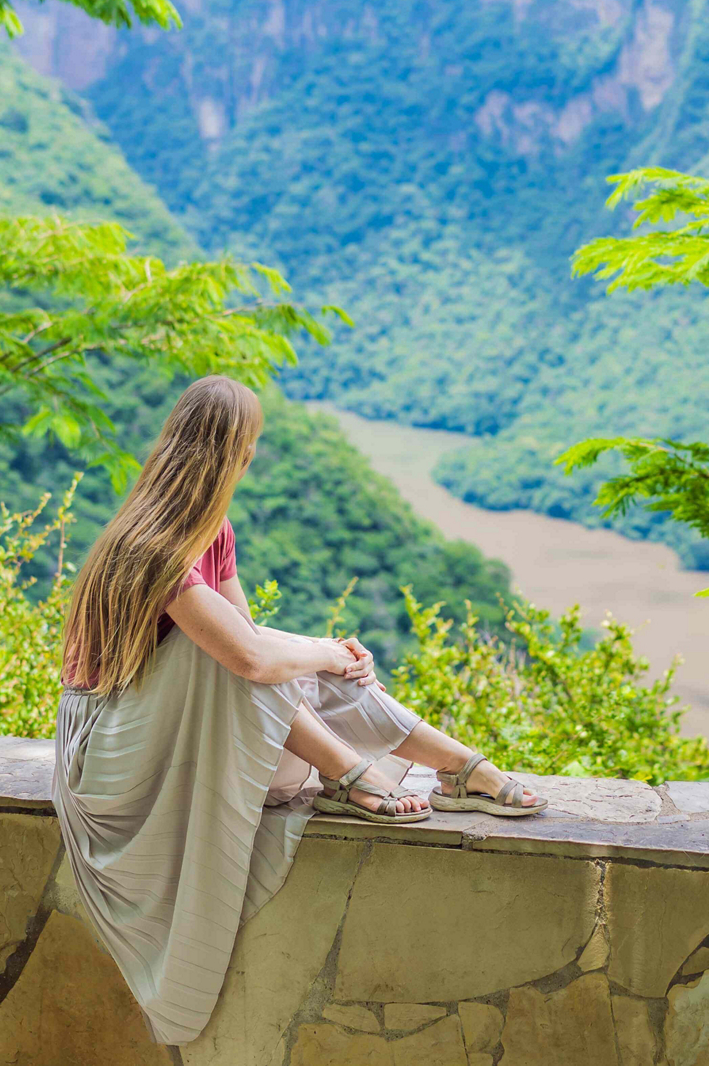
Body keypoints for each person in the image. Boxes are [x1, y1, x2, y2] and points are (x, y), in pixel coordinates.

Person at [50, 375, 545, 1046]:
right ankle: (349, 773)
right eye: (248, 448)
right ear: (236, 455)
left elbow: (251, 636)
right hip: (106, 752)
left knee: (295, 657)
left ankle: (458, 768)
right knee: (238, 657)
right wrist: (318, 653)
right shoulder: (153, 550)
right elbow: (247, 659)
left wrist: (329, 654)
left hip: (163, 729)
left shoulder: (212, 532)